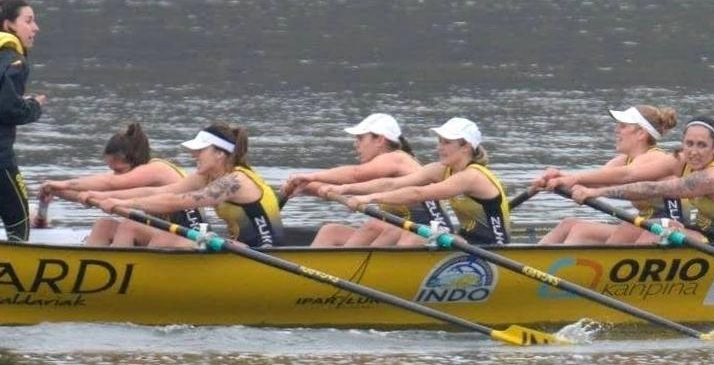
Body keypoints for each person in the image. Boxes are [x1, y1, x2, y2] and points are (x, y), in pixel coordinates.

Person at [80, 123, 285, 248]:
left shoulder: (234, 182)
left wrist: (123, 203)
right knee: (108, 225)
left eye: (200, 150)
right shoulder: (206, 176)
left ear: (219, 154)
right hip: (234, 244)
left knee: (159, 238)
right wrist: (101, 196)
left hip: (260, 250)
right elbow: (158, 191)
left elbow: (175, 201)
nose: (193, 155)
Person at [319, 117, 512, 246]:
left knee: (410, 237)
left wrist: (369, 199)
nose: (439, 148)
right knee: (391, 231)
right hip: (463, 240)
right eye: (439, 141)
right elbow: (392, 184)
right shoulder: (440, 169)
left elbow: (418, 193)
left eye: (447, 142)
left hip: (492, 248)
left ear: (466, 147)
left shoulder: (472, 176)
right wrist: (344, 188)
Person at [571, 116, 714, 243]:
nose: (694, 152)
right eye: (689, 144)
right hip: (700, 233)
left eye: (702, 145)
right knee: (633, 227)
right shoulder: (681, 160)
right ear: (682, 144)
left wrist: (597, 192)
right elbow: (629, 175)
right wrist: (568, 179)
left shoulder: (712, 177)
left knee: (653, 232)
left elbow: (653, 189)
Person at [281, 113, 447, 247]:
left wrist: (311, 176)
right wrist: (304, 186)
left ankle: (347, 269)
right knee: (330, 231)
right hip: (400, 232)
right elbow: (342, 187)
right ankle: (318, 269)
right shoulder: (384, 167)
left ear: (380, 140)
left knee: (376, 225)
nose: (356, 145)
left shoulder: (397, 158)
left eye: (360, 138)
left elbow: (355, 174)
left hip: (431, 233)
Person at [532, 105, 683, 245]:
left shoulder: (655, 157)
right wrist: (557, 179)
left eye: (623, 126)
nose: (617, 130)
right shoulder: (624, 160)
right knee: (569, 224)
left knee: (618, 229)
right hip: (645, 224)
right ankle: (535, 260)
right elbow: (596, 181)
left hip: (673, 226)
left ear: (641, 134)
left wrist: (573, 179)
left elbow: (626, 175)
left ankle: (576, 263)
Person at [38, 123, 202, 244]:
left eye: (118, 170)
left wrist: (64, 184)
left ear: (135, 159)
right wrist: (54, 190)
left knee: (129, 227)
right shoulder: (135, 175)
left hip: (192, 239)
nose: (115, 175)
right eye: (112, 170)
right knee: (103, 225)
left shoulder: (156, 169)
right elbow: (90, 195)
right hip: (166, 236)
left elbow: (110, 183)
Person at [0, 0, 44, 241]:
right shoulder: (14, 60)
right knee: (19, 223)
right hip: (1, 161)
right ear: (9, 25)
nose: (35, 28)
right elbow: (8, 109)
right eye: (28, 21)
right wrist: (34, 106)